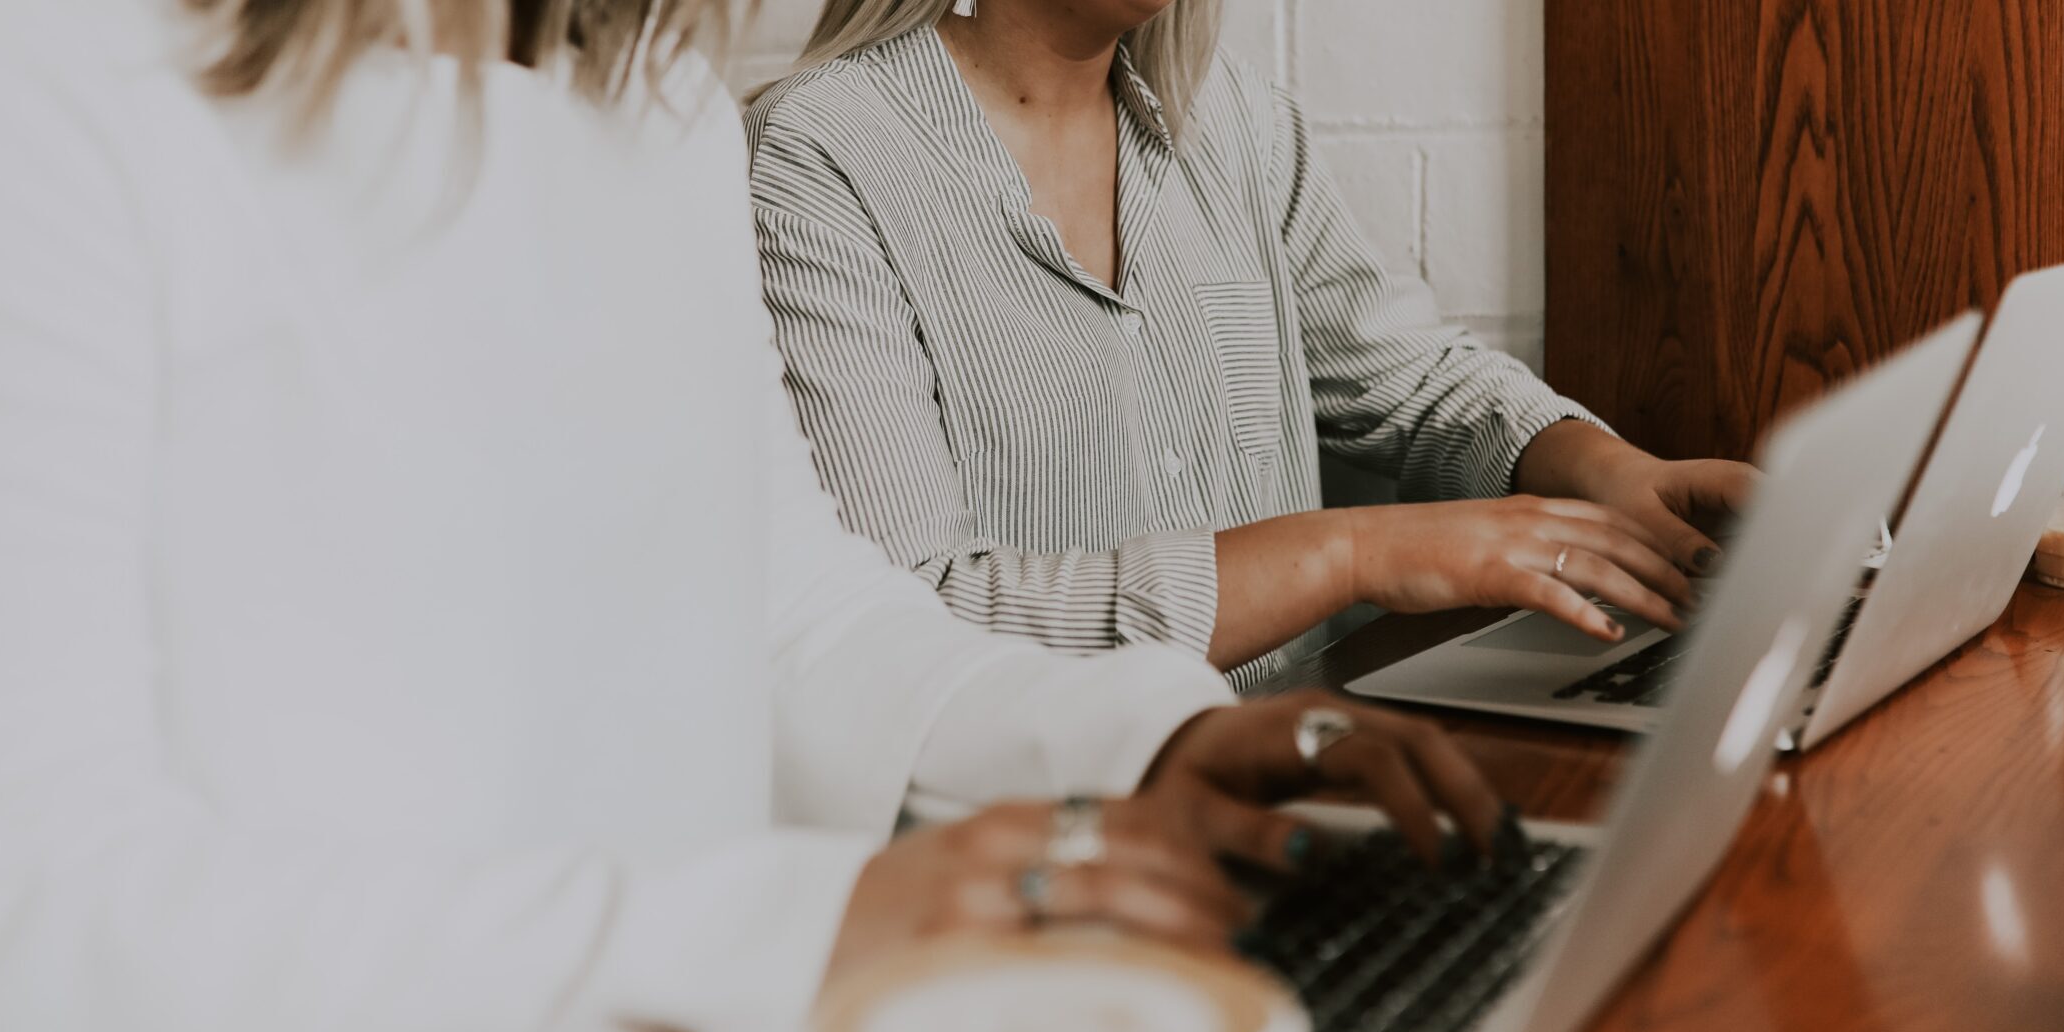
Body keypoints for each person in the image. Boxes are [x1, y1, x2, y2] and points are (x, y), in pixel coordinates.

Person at [0, 3, 1504, 1032]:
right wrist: (788, 935)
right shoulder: (20, 72)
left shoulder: (648, 92)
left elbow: (796, 615)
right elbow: (15, 928)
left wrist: (1143, 742)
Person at [744, 0, 1758, 682]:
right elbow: (908, 624)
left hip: (1297, 792)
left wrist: (1611, 472)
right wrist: (1349, 553)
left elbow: (1405, 379)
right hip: (1041, 862)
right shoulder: (816, 157)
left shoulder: (1232, 124)